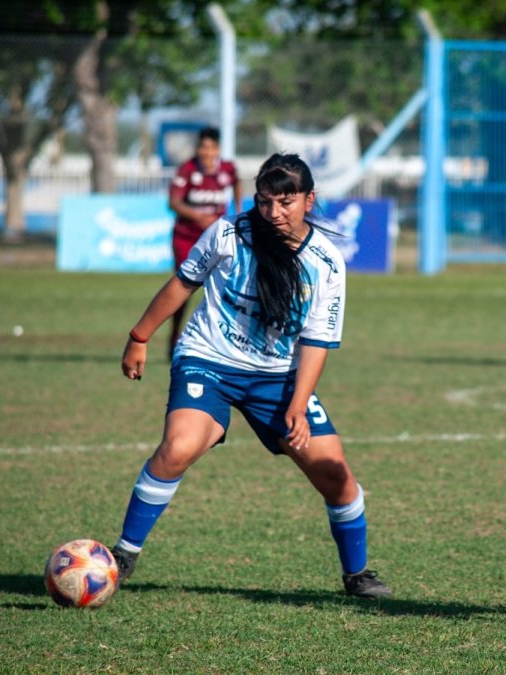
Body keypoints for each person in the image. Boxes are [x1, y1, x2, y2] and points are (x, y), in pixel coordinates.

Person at [111, 153, 391, 599]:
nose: (273, 212)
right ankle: (123, 555)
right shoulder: (228, 233)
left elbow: (316, 342)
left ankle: (357, 575)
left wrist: (297, 405)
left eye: (286, 202)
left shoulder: (326, 263)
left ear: (309, 200)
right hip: (209, 359)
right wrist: (139, 336)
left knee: (336, 475)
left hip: (278, 377)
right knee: (179, 446)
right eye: (264, 201)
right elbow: (183, 283)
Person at [168, 127, 243, 359]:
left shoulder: (228, 169)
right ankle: (175, 336)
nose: (206, 152)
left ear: (218, 149)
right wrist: (198, 216)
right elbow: (174, 202)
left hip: (216, 239)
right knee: (184, 287)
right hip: (187, 237)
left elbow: (237, 182)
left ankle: (216, 341)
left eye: (211, 147)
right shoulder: (187, 170)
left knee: (221, 286)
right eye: (203, 147)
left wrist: (238, 210)